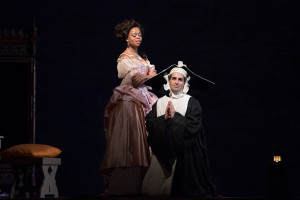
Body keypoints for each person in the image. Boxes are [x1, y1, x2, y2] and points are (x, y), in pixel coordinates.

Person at [100, 19, 158, 196]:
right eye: (134, 35)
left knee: (148, 134)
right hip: (129, 101)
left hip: (144, 98)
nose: (138, 37)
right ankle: (126, 181)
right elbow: (136, 80)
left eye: (139, 34)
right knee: (130, 138)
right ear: (126, 38)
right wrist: (148, 74)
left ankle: (147, 179)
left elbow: (153, 75)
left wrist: (147, 74)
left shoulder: (142, 58)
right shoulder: (125, 58)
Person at [142, 61, 217, 197]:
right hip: (161, 155)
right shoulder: (160, 102)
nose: (176, 82)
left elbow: (193, 127)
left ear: (185, 83)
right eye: (174, 78)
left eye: (180, 79)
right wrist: (164, 118)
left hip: (185, 156)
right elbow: (150, 125)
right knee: (154, 192)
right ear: (168, 81)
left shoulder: (192, 102)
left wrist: (175, 117)